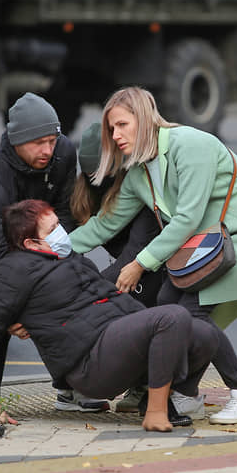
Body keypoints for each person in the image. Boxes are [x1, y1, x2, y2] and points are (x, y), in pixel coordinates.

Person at [69, 86, 237, 425]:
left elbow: (187, 218)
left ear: (144, 120)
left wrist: (139, 264)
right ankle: (186, 393)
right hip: (210, 242)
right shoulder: (139, 173)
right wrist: (52, 248)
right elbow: (104, 226)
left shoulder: (191, 145)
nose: (115, 136)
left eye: (122, 125)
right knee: (170, 302)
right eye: (111, 129)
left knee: (190, 314)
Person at [0, 199, 220, 433]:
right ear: (31, 243)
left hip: (115, 342)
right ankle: (155, 413)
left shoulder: (69, 257)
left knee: (204, 333)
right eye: (52, 229)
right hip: (89, 363)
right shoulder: (12, 271)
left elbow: (108, 298)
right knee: (171, 317)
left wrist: (148, 327)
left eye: (58, 224)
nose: (61, 232)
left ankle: (157, 399)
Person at [0, 93, 104, 414]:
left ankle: (71, 388)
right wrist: (15, 310)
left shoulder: (62, 154)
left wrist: (63, 267)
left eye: (52, 140)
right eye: (38, 143)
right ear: (17, 141)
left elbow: (65, 213)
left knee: (76, 296)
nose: (48, 150)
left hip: (47, 246)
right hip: (3, 258)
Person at [70, 122, 165, 413]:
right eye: (92, 177)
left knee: (147, 315)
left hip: (155, 265)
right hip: (129, 268)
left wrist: (90, 292)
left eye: (107, 174)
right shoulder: (85, 192)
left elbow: (134, 252)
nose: (100, 182)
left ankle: (147, 387)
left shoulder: (140, 188)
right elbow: (81, 240)